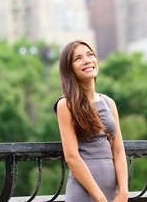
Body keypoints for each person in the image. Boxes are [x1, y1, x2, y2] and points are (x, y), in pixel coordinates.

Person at [54, 40, 129, 202]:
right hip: (84, 193)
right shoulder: (65, 105)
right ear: (69, 69)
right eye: (78, 58)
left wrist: (123, 192)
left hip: (113, 192)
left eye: (90, 55)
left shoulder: (109, 102)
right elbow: (72, 157)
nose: (87, 60)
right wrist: (100, 198)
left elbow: (118, 150)